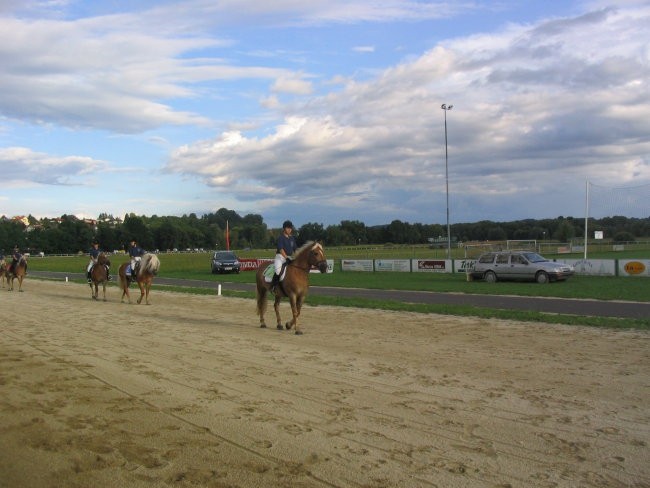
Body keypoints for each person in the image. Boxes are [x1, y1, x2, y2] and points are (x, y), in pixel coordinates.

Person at [270, 220, 297, 292]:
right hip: (280, 257)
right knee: (278, 271)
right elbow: (281, 249)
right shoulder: (280, 238)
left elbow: (295, 249)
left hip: (289, 257)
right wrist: (286, 257)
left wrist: (297, 256)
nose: (290, 229)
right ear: (284, 229)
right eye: (288, 228)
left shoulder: (292, 238)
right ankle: (274, 286)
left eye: (290, 228)